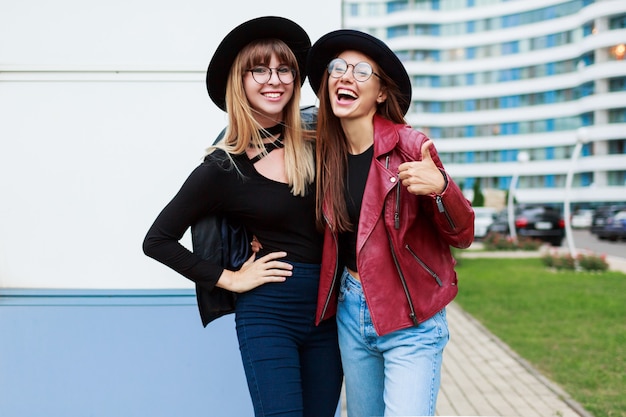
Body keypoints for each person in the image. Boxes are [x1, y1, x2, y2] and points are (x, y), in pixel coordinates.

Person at [143, 17, 342, 417]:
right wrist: (231, 278)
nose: (275, 79)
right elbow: (157, 241)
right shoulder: (221, 168)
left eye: (285, 69)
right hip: (269, 314)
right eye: (260, 69)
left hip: (331, 311)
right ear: (241, 81)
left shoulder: (321, 142)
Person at [306, 29, 475, 416]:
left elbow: (463, 234)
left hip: (411, 318)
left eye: (362, 71)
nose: (346, 76)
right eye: (338, 68)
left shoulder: (411, 147)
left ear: (381, 93)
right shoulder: (323, 153)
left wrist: (442, 188)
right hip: (351, 312)